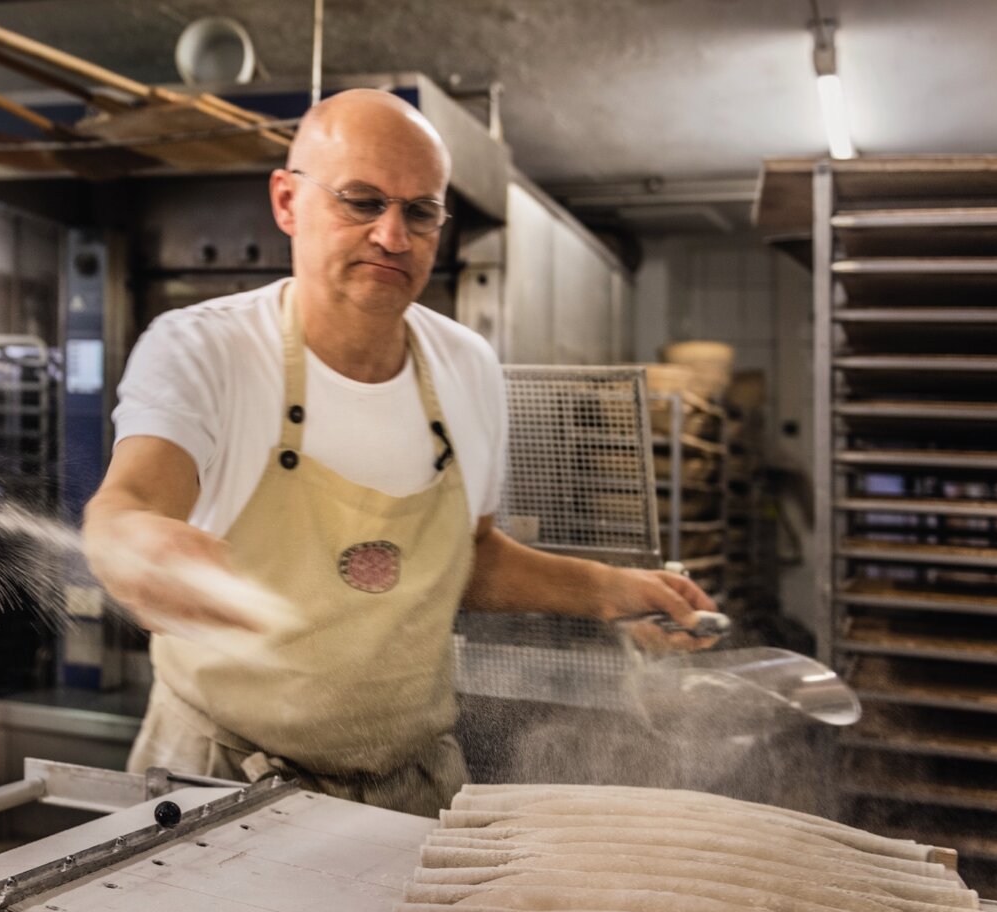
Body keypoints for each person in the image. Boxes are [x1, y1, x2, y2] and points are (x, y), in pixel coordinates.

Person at [82, 88, 714, 816]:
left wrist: (611, 591)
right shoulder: (204, 348)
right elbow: (128, 503)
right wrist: (137, 546)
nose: (393, 236)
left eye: (420, 211)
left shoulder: (468, 366)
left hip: (407, 787)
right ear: (287, 202)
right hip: (218, 780)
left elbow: (467, 556)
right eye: (361, 201)